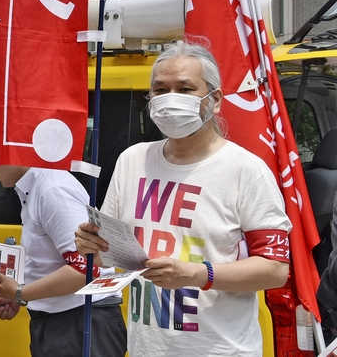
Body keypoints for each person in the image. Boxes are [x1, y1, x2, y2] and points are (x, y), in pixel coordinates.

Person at [75, 41, 291, 356]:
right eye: (160, 90)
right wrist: (90, 244)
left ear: (214, 100)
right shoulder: (132, 160)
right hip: (146, 348)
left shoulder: (246, 170)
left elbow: (275, 269)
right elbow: (109, 255)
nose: (170, 99)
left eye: (185, 89)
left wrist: (196, 274)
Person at [0, 118, 126, 357]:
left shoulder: (52, 190)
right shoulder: (33, 189)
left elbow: (86, 267)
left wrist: (21, 292)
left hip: (81, 322)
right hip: (61, 321)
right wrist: (20, 295)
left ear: (6, 150)